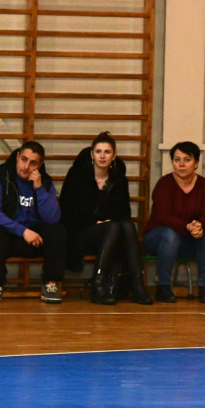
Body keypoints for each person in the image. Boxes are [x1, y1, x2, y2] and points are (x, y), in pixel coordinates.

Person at [0, 141, 68, 304]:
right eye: (24, 159)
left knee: (57, 231)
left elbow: (53, 218)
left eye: (33, 163)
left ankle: (50, 283)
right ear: (17, 157)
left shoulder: (45, 181)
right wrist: (22, 231)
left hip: (35, 238)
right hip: (8, 235)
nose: (26, 166)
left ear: (40, 164)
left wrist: (39, 189)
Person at [59, 131, 152, 306]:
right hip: (82, 232)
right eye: (98, 151)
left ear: (113, 156)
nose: (102, 156)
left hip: (111, 230)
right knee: (115, 226)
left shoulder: (118, 180)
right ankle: (98, 284)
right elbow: (68, 211)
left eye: (107, 152)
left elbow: (124, 211)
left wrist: (108, 221)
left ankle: (138, 286)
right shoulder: (77, 176)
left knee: (126, 225)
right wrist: (95, 222)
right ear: (92, 154)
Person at [143, 141, 205, 303]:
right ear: (172, 163)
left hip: (191, 236)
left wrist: (200, 225)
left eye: (187, 159)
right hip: (159, 237)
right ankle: (163, 287)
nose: (181, 164)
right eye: (177, 160)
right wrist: (187, 226)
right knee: (171, 234)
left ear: (196, 163)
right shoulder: (164, 184)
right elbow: (164, 216)